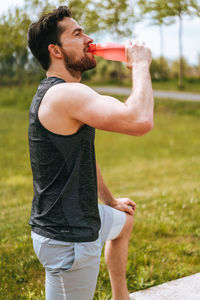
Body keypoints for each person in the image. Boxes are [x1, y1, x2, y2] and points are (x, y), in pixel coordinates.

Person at [27, 5, 154, 300]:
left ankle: (120, 296)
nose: (88, 38)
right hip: (66, 238)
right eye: (77, 33)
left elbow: (81, 155)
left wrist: (110, 201)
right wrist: (141, 66)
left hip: (83, 216)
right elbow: (139, 120)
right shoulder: (64, 94)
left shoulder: (61, 93)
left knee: (124, 221)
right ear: (55, 51)